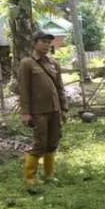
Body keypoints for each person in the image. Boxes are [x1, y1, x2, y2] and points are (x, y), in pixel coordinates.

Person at [19, 29, 68, 191]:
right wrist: (25, 113)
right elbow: (24, 90)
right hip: (38, 111)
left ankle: (49, 175)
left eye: (49, 42)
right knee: (40, 143)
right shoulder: (27, 63)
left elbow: (60, 88)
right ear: (34, 43)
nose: (47, 45)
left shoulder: (53, 64)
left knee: (53, 142)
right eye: (43, 42)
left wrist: (64, 108)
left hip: (55, 110)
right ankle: (30, 177)